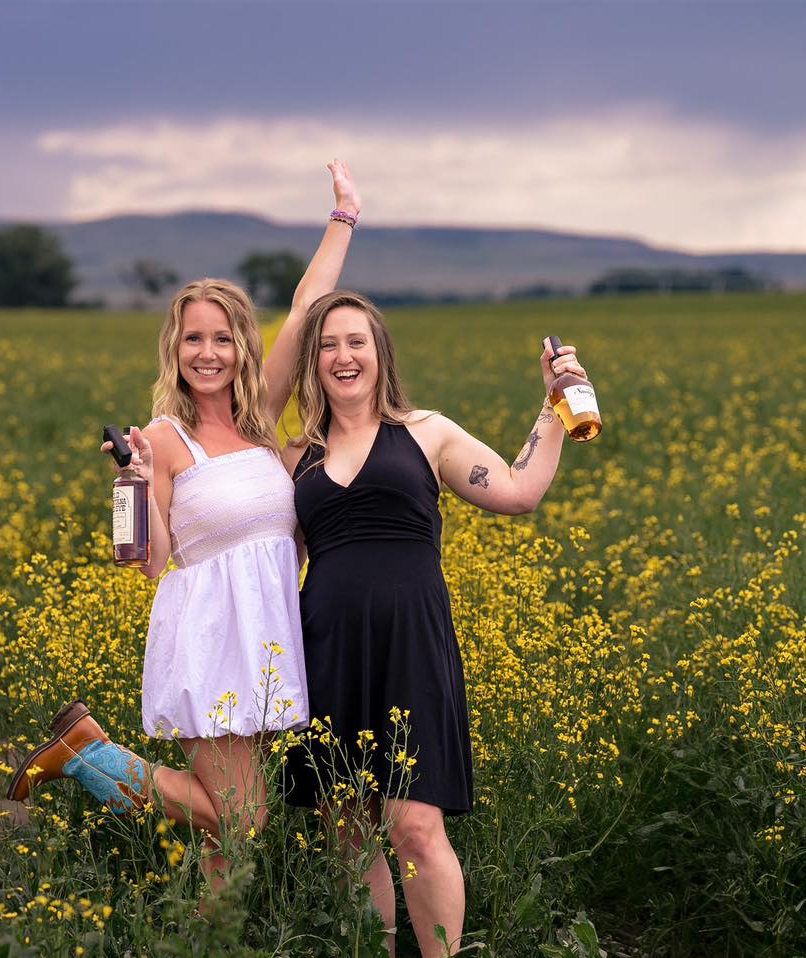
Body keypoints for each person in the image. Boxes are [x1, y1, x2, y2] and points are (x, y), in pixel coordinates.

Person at [6, 161, 363, 892]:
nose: (208, 353)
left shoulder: (263, 422)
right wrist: (130, 484)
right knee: (241, 819)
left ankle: (211, 934)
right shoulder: (165, 440)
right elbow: (142, 559)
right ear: (176, 347)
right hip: (211, 634)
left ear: (242, 348)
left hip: (267, 633)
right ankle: (88, 755)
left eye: (223, 339)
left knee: (229, 833)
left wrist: (344, 217)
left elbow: (306, 310)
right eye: (194, 338)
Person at [280, 290, 589, 956]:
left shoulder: (426, 432)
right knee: (350, 833)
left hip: (412, 647)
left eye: (356, 341)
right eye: (329, 344)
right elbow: (273, 562)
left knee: (416, 826)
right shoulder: (295, 456)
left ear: (380, 352)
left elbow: (518, 491)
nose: (343, 355)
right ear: (313, 361)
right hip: (327, 650)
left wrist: (555, 404)